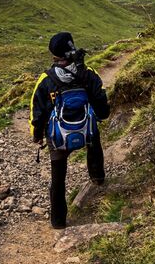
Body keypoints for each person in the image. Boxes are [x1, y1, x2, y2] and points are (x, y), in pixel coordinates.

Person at [29, 32, 109, 229]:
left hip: (58, 137)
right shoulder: (87, 73)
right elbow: (100, 100)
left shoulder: (46, 79)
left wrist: (37, 136)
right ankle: (97, 177)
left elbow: (37, 112)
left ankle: (58, 221)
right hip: (86, 131)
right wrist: (101, 115)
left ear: (54, 54)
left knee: (58, 177)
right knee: (94, 139)